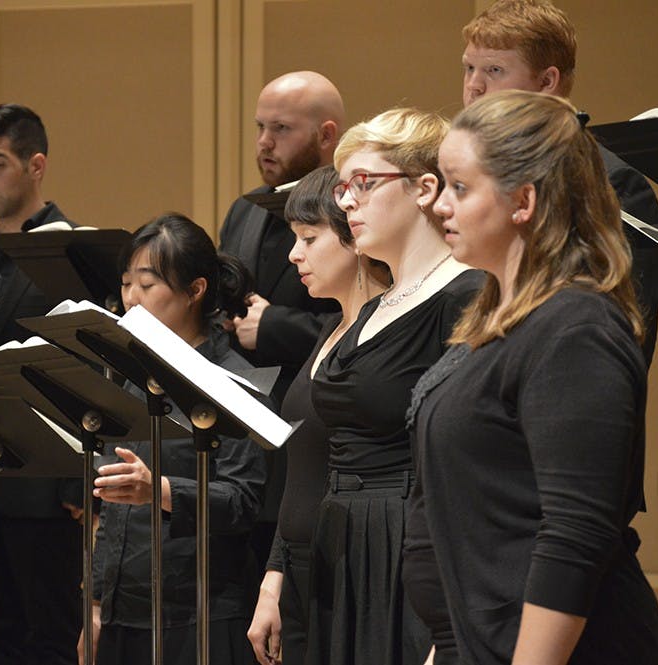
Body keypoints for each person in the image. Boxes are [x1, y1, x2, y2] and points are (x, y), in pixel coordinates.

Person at [407, 90, 658, 664]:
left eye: (460, 187)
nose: (439, 206)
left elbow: (575, 535)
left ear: (523, 200)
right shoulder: (496, 318)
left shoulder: (576, 328)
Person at [304, 108, 482, 665]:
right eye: (343, 188)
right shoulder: (377, 304)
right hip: (345, 544)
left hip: (411, 547)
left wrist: (447, 629)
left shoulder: (466, 293)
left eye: (364, 184)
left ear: (424, 188)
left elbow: (470, 463)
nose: (346, 202)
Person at [84, 213, 267, 664]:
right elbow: (110, 502)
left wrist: (159, 490)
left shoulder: (235, 382)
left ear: (195, 290)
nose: (131, 299)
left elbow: (243, 501)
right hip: (122, 612)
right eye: (126, 284)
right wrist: (94, 602)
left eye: (147, 285)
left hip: (198, 614)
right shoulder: (129, 377)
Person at [460, 0, 658, 366]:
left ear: (547, 81)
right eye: (469, 68)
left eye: (493, 70)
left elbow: (621, 337)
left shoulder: (613, 181)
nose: (474, 86)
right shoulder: (467, 174)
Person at [246, 165, 390, 665]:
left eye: (309, 237)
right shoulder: (330, 327)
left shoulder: (386, 333)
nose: (293, 254)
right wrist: (273, 578)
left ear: (357, 236)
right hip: (304, 565)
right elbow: (303, 470)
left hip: (357, 568)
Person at [0, 103, 83, 665]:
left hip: (47, 485)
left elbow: (92, 370)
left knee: (49, 638)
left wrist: (81, 481)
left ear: (36, 166)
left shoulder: (77, 251)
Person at [219, 71, 346, 583]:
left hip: (311, 430)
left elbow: (360, 316)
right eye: (260, 127)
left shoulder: (348, 210)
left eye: (282, 129)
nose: (265, 143)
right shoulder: (245, 207)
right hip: (245, 435)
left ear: (327, 135)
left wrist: (272, 327)